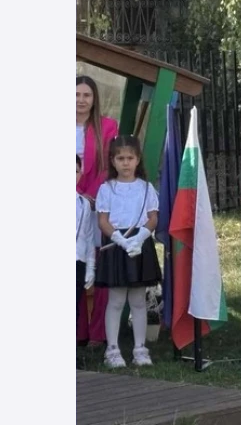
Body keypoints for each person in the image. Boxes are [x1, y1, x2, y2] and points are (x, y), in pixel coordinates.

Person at [94, 136, 162, 368]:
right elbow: (103, 221)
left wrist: (140, 238)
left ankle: (140, 348)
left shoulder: (146, 188)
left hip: (140, 245)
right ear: (113, 160)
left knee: (138, 300)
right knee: (116, 299)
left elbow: (153, 218)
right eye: (120, 158)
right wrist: (121, 241)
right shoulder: (107, 189)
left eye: (130, 158)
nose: (125, 163)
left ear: (137, 159)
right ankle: (112, 350)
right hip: (117, 244)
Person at [76, 75, 119, 347]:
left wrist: (88, 195)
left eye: (86, 95)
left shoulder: (107, 126)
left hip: (95, 204)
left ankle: (99, 332)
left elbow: (107, 165)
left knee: (99, 267)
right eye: (76, 95)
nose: (81, 100)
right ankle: (77, 330)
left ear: (94, 99)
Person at [76, 155, 95, 321]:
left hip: (77, 262)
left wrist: (90, 268)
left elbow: (89, 238)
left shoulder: (84, 204)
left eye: (75, 171)